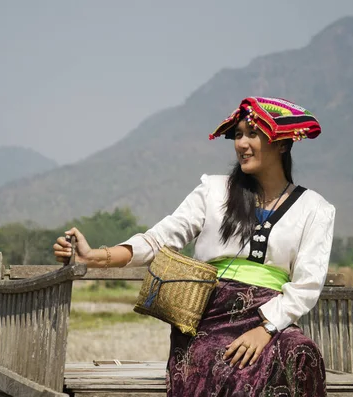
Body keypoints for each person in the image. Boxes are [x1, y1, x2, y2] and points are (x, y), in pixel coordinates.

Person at [54, 96, 335, 397]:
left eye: (252, 133)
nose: (242, 144)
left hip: (270, 317)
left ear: (282, 144)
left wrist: (265, 330)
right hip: (209, 319)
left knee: (301, 352)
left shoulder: (315, 209)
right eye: (237, 135)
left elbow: (306, 285)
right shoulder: (214, 191)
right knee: (227, 367)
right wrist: (95, 256)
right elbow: (158, 239)